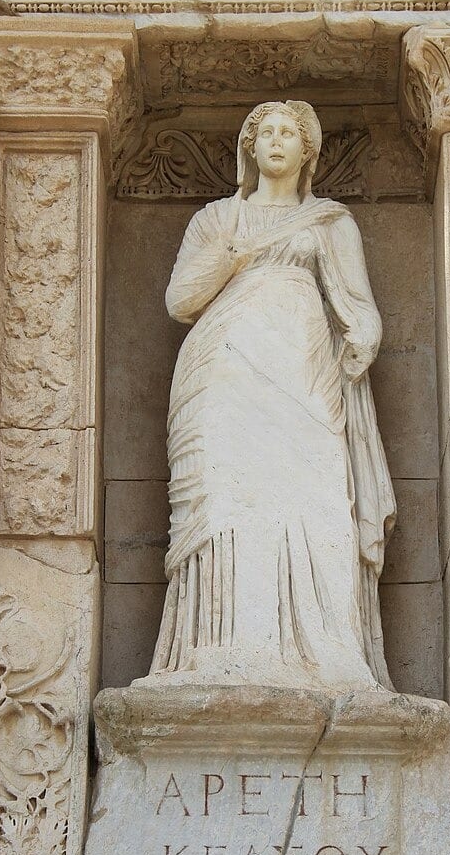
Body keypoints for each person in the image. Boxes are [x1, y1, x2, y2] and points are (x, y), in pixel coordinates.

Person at [137, 100, 396, 693]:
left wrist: (363, 339)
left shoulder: (331, 224)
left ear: (308, 152)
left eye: (290, 134)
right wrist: (237, 253)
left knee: (315, 493)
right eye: (267, 133)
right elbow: (180, 302)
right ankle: (220, 648)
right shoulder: (215, 219)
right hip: (222, 375)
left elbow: (358, 306)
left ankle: (325, 651)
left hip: (304, 372)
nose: (277, 142)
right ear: (249, 150)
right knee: (228, 498)